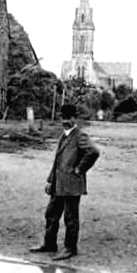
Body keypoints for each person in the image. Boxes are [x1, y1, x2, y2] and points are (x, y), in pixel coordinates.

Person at [30, 104, 99, 260]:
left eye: (69, 118)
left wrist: (80, 169)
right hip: (58, 183)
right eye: (63, 118)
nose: (66, 121)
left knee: (70, 218)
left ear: (75, 119)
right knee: (51, 214)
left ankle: (70, 248)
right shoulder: (64, 136)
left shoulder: (80, 135)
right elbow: (57, 162)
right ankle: (49, 244)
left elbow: (93, 152)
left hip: (72, 185)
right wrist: (50, 180)